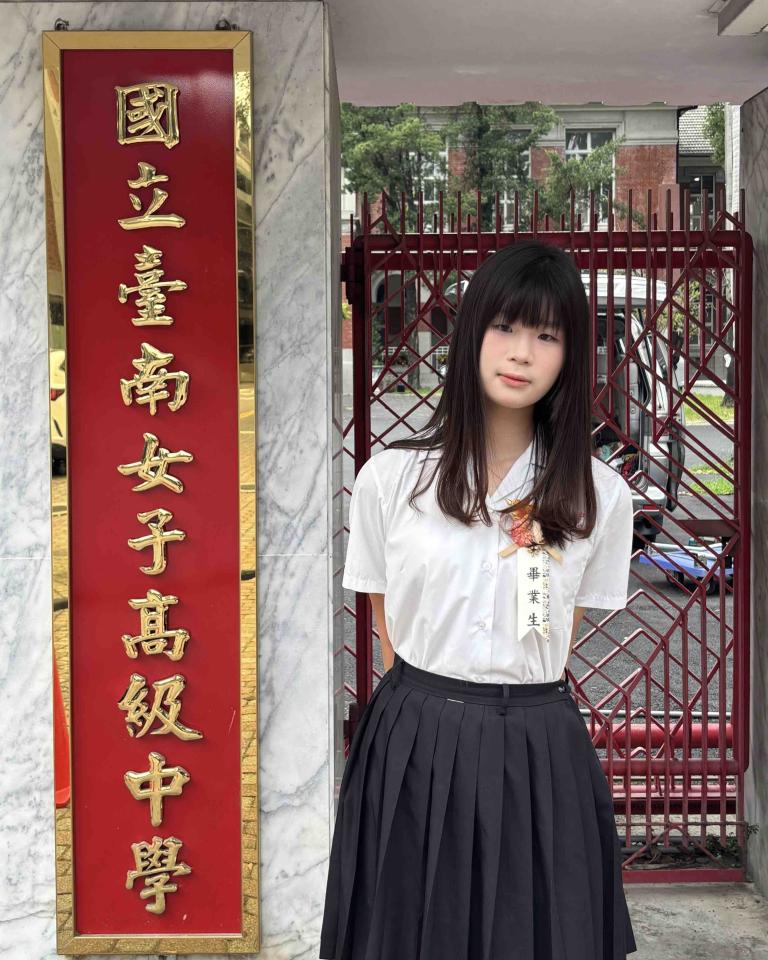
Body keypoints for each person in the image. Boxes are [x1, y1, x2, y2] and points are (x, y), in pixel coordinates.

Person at [320, 241, 637, 959]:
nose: (521, 352)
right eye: (505, 326)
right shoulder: (392, 480)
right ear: (471, 333)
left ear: (570, 356)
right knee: (406, 935)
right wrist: (435, 720)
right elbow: (388, 629)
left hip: (537, 743)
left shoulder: (597, 495)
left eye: (547, 335)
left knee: (536, 935)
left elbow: (556, 636)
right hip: (413, 737)